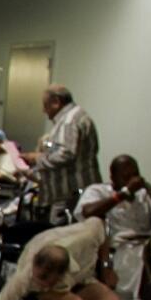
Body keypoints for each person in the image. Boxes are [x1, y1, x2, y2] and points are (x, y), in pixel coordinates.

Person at [74, 154, 151, 300]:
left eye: (135, 175)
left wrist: (150, 191)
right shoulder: (98, 190)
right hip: (117, 245)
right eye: (126, 176)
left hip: (148, 242)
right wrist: (123, 193)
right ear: (113, 176)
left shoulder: (143, 195)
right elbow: (88, 211)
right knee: (139, 256)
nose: (132, 180)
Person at [24, 84, 99, 219]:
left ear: (56, 102)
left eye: (45, 105)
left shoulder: (68, 121)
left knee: (61, 236)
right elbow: (61, 148)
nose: (43, 110)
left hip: (70, 193)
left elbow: (66, 154)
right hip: (73, 192)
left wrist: (36, 158)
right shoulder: (77, 116)